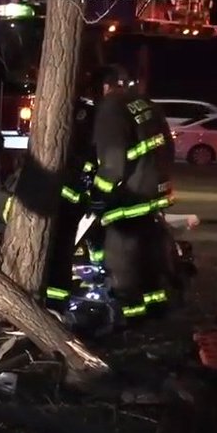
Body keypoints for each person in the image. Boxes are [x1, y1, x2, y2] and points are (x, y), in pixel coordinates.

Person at [89, 64, 176, 324]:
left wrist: (99, 193)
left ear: (105, 86)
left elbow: (114, 162)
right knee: (149, 249)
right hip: (156, 190)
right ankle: (156, 305)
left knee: (122, 251)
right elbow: (168, 145)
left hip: (131, 194)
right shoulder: (144, 103)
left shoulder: (111, 108)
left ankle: (130, 313)